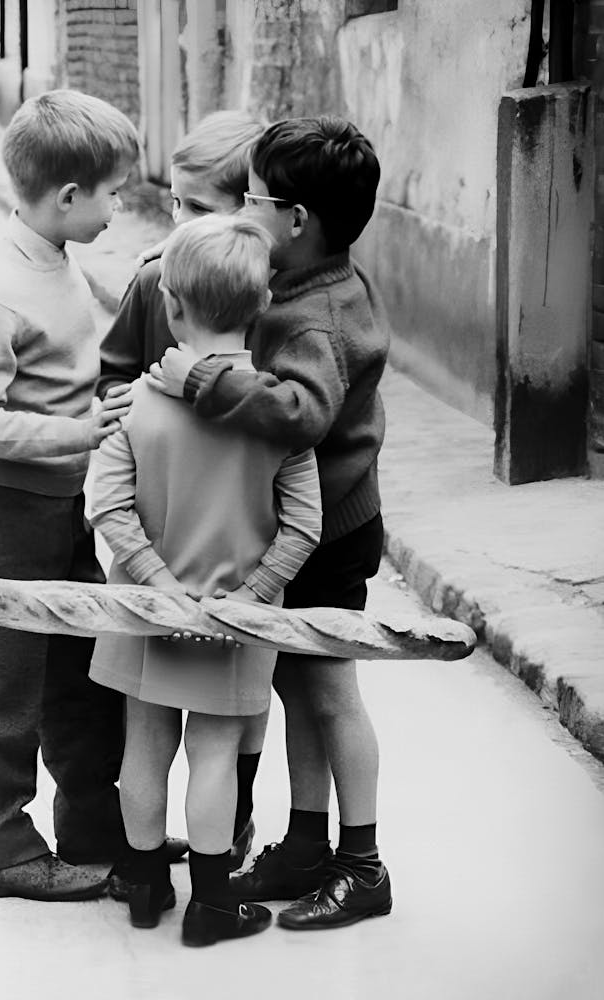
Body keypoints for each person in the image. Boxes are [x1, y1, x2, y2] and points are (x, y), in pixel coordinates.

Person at [150, 116, 393, 930]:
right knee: (296, 687)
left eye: (250, 199)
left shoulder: (316, 315)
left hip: (327, 535)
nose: (239, 210)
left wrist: (204, 383)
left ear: (295, 219)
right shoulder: (304, 284)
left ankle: (362, 864)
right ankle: (307, 842)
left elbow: (305, 412)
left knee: (329, 694)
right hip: (314, 524)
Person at [88, 214, 322, 946]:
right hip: (236, 622)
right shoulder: (274, 415)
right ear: (259, 308)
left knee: (146, 745)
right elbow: (304, 525)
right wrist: (247, 600)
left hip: (143, 611)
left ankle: (144, 883)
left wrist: (161, 587)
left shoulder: (138, 406)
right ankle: (214, 904)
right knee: (216, 751)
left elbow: (108, 506)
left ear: (172, 306)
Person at [0, 89, 143, 900]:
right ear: (68, 197)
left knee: (79, 666)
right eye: (113, 192)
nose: (121, 205)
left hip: (57, 505)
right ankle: (2, 848)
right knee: (5, 682)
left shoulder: (59, 263)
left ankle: (92, 826)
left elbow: (65, 383)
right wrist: (80, 433)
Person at [97, 109, 267, 874]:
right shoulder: (152, 280)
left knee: (219, 738)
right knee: (195, 738)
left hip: (203, 567)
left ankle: (223, 839)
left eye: (198, 209)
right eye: (174, 203)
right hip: (184, 568)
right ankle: (208, 880)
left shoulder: (269, 296)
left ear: (249, 211)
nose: (178, 226)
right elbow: (111, 379)